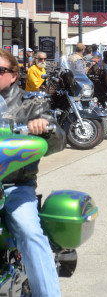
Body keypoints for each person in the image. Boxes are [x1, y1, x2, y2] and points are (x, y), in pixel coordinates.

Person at [0, 49, 65, 297]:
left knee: (29, 232)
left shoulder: (31, 103)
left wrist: (44, 128)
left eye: (0, 70)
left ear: (14, 75)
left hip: (14, 185)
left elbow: (59, 140)